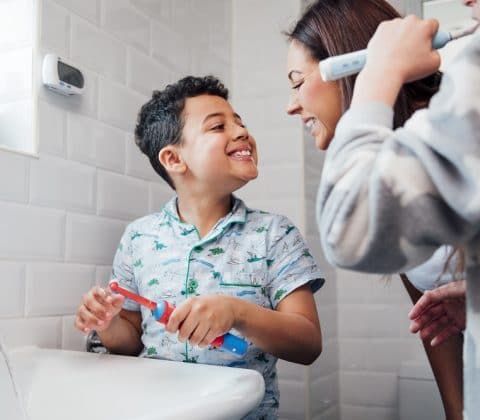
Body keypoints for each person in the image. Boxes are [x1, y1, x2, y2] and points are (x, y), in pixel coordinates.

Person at [75, 76, 324, 419]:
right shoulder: (138, 238)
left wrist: (237, 312)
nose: (240, 132)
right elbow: (131, 342)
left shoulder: (274, 234)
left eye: (240, 122)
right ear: (174, 159)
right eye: (218, 126)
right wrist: (108, 324)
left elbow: (308, 344)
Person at [284, 0, 464, 418]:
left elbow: (347, 234)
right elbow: (437, 327)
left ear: (351, 65)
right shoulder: (390, 168)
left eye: (297, 82)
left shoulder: (454, 131)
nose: (291, 105)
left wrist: (378, 75)